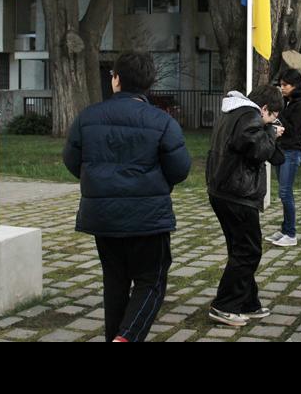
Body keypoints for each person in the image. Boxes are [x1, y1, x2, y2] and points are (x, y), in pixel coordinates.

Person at [63, 52, 192, 343]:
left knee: (115, 280)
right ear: (148, 83)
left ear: (116, 80)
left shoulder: (87, 117)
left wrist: (101, 184)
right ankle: (127, 337)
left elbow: (73, 161)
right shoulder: (163, 122)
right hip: (148, 219)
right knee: (151, 280)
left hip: (104, 216)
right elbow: (180, 169)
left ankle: (116, 337)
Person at [206, 86, 285, 327]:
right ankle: (225, 305)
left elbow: (258, 149)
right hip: (237, 194)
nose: (272, 121)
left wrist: (268, 132)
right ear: (264, 109)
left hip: (223, 190)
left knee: (240, 248)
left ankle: (247, 302)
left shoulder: (234, 113)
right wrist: (271, 133)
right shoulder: (249, 116)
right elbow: (258, 150)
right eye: (272, 116)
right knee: (248, 251)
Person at [266, 69, 301, 248]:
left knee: (286, 192)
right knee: (283, 192)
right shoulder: (289, 101)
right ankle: (285, 230)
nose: (282, 88)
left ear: (295, 86)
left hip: (292, 151)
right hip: (283, 149)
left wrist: (279, 115)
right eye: (281, 84)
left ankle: (291, 233)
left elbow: (294, 130)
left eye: (285, 85)